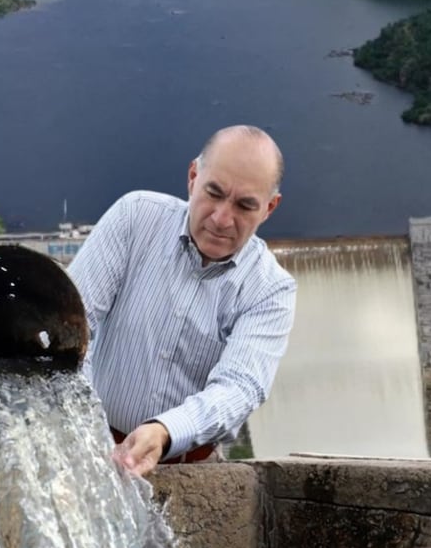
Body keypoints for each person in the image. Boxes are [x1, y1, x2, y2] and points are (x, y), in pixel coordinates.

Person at [67, 125, 296, 477]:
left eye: (245, 206)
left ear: (269, 208)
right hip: (88, 444)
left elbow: (241, 387)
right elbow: (72, 324)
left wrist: (164, 431)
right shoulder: (134, 219)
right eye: (213, 193)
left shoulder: (270, 290)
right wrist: (86, 428)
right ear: (193, 177)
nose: (221, 218)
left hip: (190, 468)